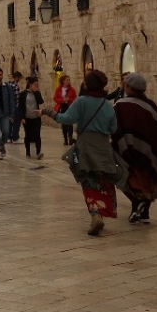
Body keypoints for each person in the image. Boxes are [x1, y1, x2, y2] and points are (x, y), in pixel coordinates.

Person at [43, 69, 123, 237]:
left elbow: (65, 119)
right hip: (103, 148)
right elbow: (114, 128)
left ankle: (95, 214)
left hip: (86, 146)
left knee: (88, 181)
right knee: (103, 181)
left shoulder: (81, 101)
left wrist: (47, 112)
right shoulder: (107, 106)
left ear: (88, 84)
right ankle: (101, 213)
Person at [112, 73, 157, 224]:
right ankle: (144, 212)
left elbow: (114, 127)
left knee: (129, 181)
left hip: (127, 151)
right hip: (149, 152)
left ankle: (137, 206)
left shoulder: (120, 105)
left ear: (129, 87)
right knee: (148, 181)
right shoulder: (150, 105)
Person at [20, 76, 45, 159]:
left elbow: (41, 101)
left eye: (37, 84)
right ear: (30, 84)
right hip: (27, 118)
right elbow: (20, 106)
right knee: (28, 135)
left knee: (37, 134)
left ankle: (38, 152)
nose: (36, 86)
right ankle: (28, 152)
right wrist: (22, 117)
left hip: (36, 117)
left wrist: (36, 92)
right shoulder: (23, 94)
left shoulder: (37, 93)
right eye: (35, 84)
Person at [53, 74, 77, 146]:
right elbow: (55, 98)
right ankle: (65, 138)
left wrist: (69, 99)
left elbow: (75, 98)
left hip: (69, 106)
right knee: (64, 122)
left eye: (69, 80)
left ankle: (70, 137)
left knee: (70, 122)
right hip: (62, 107)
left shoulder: (72, 89)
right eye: (67, 80)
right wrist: (62, 100)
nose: (68, 81)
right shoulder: (58, 89)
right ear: (63, 81)